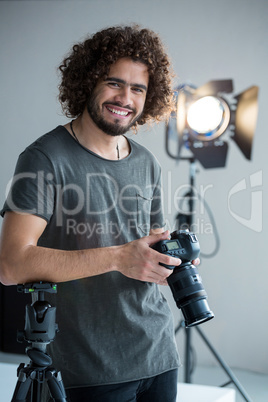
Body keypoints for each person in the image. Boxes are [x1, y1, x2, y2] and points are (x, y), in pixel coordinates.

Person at [0, 25, 198, 401]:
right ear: (88, 81)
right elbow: (11, 264)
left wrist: (173, 259)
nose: (126, 98)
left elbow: (148, 247)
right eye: (114, 83)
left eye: (138, 89)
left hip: (158, 352)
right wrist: (119, 257)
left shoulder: (147, 162)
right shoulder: (43, 159)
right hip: (91, 367)